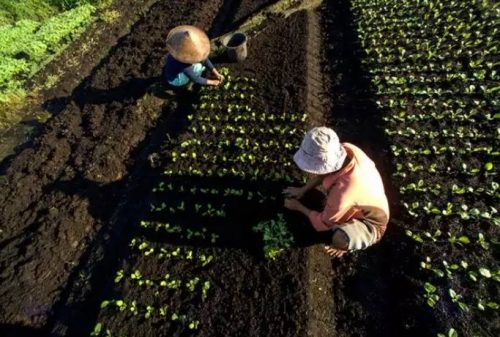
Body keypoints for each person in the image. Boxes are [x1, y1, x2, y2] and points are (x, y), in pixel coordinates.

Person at [283, 127, 389, 258]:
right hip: (363, 199)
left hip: (372, 223)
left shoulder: (342, 193)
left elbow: (324, 222)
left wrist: (298, 207)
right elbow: (324, 173)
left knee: (339, 237)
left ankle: (347, 245)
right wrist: (302, 190)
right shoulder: (348, 150)